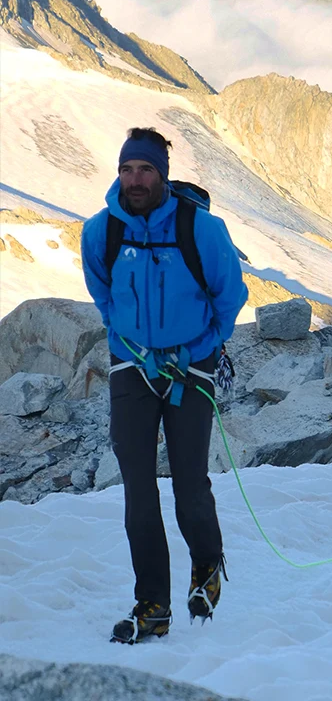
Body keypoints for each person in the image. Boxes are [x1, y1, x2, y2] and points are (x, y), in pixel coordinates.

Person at [81, 127, 247, 643]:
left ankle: (207, 560)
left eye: (145, 169)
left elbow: (230, 294)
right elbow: (102, 293)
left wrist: (201, 347)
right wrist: (134, 343)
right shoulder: (101, 231)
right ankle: (152, 603)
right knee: (137, 487)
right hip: (131, 364)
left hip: (191, 366)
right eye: (127, 169)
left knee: (189, 482)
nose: (135, 180)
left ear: (163, 175)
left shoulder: (202, 229)